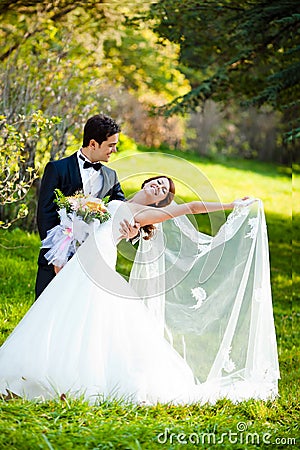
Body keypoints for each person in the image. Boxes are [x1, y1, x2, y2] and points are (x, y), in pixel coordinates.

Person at [0, 176, 279, 405]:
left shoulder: (143, 214)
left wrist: (230, 204)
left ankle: (79, 379)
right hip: (79, 266)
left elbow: (191, 207)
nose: (158, 186)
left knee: (91, 321)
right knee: (62, 315)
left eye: (163, 190)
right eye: (157, 181)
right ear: (146, 183)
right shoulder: (115, 202)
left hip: (97, 271)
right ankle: (43, 370)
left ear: (161, 202)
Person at [35, 114, 138, 299]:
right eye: (111, 145)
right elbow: (45, 215)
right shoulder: (57, 169)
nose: (114, 150)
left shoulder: (111, 176)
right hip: (56, 260)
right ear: (93, 144)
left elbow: (122, 209)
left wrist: (134, 230)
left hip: (93, 260)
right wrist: (59, 255)